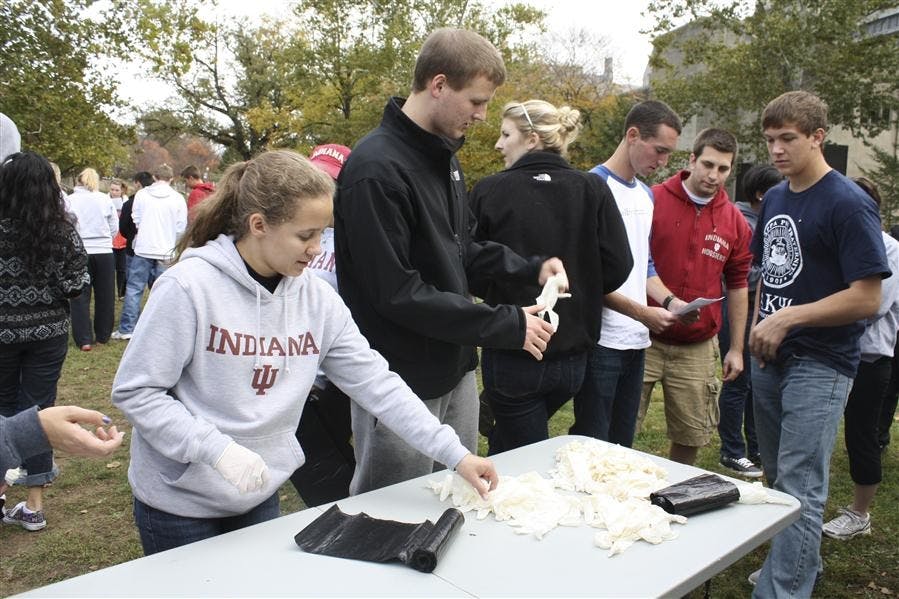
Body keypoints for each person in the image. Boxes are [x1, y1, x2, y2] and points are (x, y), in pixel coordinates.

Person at [111, 150, 497, 555]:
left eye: (322, 234)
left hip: (257, 491)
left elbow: (377, 383)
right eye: (304, 235)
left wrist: (454, 453)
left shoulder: (316, 298)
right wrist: (217, 450)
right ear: (258, 225)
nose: (316, 249)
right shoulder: (188, 287)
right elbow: (137, 393)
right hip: (179, 501)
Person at [334, 28, 566, 495]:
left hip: (455, 366)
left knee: (456, 498)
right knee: (393, 511)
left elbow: (461, 250)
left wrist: (530, 269)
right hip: (399, 378)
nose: (482, 116)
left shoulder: (445, 158)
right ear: (438, 85)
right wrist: (506, 324)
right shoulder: (375, 169)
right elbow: (397, 292)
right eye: (476, 101)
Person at [747, 91, 889, 597]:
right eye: (769, 140)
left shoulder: (849, 203)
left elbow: (867, 298)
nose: (777, 150)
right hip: (769, 355)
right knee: (776, 478)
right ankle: (796, 564)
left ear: (817, 137)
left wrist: (788, 318)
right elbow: (767, 271)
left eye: (788, 138)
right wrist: (758, 326)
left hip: (822, 361)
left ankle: (783, 589)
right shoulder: (778, 197)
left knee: (800, 484)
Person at [469, 100, 632, 454]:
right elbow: (619, 264)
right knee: (516, 444)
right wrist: (585, 287)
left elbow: (467, 265)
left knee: (526, 459)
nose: (498, 144)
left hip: (514, 352)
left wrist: (498, 289)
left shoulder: (488, 191)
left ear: (531, 139)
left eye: (505, 134)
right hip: (573, 359)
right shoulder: (593, 189)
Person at [570, 100, 688, 448]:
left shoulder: (646, 194)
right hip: (601, 340)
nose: (664, 162)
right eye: (660, 150)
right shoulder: (591, 187)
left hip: (637, 340)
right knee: (593, 445)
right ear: (633, 135)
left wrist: (671, 301)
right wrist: (640, 312)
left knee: (624, 446)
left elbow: (644, 263)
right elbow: (584, 277)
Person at [637, 128, 753, 466]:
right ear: (691, 160)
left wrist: (735, 348)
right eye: (708, 165)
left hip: (698, 345)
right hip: (643, 336)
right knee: (620, 428)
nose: (714, 175)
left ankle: (674, 496)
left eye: (723, 169)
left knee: (691, 435)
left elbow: (738, 283)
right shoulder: (651, 199)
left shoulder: (734, 221)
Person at [0, 151, 90, 530]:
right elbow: (76, 284)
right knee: (38, 413)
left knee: (3, 411)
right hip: (47, 333)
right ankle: (33, 504)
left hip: (2, 332)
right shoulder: (62, 231)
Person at [820, 177, 899, 540]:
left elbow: (873, 306)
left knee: (861, 434)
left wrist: (815, 310)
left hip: (869, 359)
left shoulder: (891, 250)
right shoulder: (838, 242)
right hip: (830, 352)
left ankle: (860, 513)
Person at [289, 143, 356, 507]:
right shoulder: (289, 235)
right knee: (317, 464)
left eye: (330, 180)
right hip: (293, 369)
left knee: (329, 464)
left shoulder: (350, 236)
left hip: (336, 368)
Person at [716, 164, 783, 477]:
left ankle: (756, 447)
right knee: (737, 381)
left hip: (764, 309)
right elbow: (737, 273)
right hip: (738, 307)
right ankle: (732, 451)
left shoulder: (770, 220)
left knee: (758, 382)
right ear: (761, 193)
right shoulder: (740, 220)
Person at [112, 164, 187, 340]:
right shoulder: (177, 199)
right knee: (163, 291)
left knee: (134, 289)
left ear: (154, 177)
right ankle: (162, 327)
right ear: (171, 178)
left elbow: (135, 218)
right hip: (166, 250)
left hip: (143, 247)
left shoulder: (142, 195)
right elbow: (180, 227)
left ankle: (128, 328)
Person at [67, 167, 118, 351]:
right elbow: (114, 225)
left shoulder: (70, 200)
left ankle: (84, 338)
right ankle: (103, 334)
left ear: (78, 180)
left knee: (79, 295)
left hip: (80, 249)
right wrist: (105, 239)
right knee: (105, 294)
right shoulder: (104, 199)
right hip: (104, 250)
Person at [109, 179, 129, 299]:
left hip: (122, 240)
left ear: (122, 191)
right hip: (110, 240)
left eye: (117, 190)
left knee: (122, 269)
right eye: (112, 189)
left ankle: (121, 293)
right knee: (110, 269)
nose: (114, 192)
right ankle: (109, 292)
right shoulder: (105, 201)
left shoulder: (125, 203)